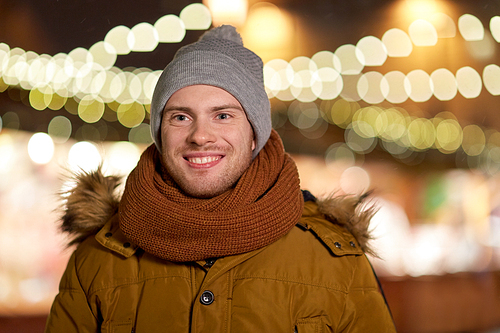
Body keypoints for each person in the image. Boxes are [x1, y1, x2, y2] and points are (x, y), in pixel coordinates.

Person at [45, 25, 396, 332]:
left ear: (255, 134)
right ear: (158, 132)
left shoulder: (334, 261)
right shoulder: (98, 258)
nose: (200, 136)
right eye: (181, 117)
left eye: (223, 115)